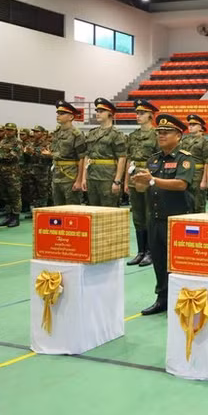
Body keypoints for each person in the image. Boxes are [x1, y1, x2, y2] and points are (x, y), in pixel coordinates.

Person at [132, 114, 195, 316]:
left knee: (178, 262)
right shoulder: (153, 159)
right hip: (156, 218)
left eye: (166, 132)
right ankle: (162, 298)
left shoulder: (184, 159)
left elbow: (181, 184)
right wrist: (139, 183)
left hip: (177, 220)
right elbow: (145, 188)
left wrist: (152, 180)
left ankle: (182, 299)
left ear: (178, 135)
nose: (161, 135)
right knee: (159, 260)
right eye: (159, 132)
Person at [125, 100, 159, 267]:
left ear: (150, 116)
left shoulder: (157, 135)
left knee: (149, 214)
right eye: (137, 113)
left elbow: (160, 160)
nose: (138, 116)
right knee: (137, 216)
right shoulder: (133, 136)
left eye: (142, 113)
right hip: (134, 177)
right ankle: (140, 251)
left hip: (149, 177)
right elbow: (129, 159)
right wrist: (126, 181)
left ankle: (151, 252)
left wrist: (154, 180)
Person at [82, 98, 127, 207]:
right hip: (92, 177)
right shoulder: (92, 133)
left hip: (107, 177)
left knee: (109, 209)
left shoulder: (116, 134)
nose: (98, 114)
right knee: (93, 209)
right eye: (97, 111)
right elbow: (87, 156)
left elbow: (122, 158)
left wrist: (117, 181)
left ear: (110, 114)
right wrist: (84, 177)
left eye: (101, 111)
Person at [49, 100, 86, 206]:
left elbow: (81, 158)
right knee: (58, 207)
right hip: (57, 175)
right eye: (58, 113)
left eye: (62, 113)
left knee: (72, 208)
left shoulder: (76, 134)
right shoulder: (57, 133)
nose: (58, 116)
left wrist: (79, 180)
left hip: (70, 176)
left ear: (70, 117)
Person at [180, 114, 208, 213]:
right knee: (186, 203)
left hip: (198, 174)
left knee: (198, 204)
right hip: (185, 174)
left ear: (200, 127)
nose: (190, 126)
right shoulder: (184, 141)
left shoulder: (205, 142)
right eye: (189, 124)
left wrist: (204, 180)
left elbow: (207, 162)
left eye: (193, 124)